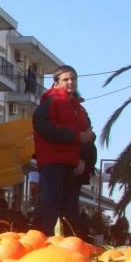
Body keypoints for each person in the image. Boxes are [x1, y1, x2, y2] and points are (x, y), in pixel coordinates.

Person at [32, 65, 94, 235]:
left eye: (73, 79)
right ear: (56, 83)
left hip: (71, 163)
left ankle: (68, 241)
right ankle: (43, 239)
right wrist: (75, 136)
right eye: (66, 79)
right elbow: (42, 125)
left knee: (69, 206)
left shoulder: (78, 107)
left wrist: (84, 159)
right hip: (52, 160)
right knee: (51, 203)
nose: (70, 82)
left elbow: (87, 133)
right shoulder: (51, 101)